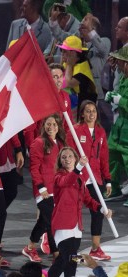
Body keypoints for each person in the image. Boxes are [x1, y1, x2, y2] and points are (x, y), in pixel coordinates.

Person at [48, 147, 112, 277]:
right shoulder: (58, 177)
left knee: (63, 259)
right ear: (60, 161)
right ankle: (88, 263)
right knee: (71, 258)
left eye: (70, 156)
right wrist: (87, 262)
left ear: (75, 158)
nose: (67, 159)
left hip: (77, 227)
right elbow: (67, 182)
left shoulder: (80, 179)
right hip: (62, 225)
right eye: (64, 157)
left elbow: (88, 199)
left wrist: (102, 209)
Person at [66, 100, 112, 260]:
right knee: (72, 212)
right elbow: (68, 154)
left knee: (98, 211)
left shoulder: (100, 132)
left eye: (94, 111)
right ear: (82, 114)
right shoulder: (76, 130)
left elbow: (104, 157)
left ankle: (95, 248)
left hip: (95, 178)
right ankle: (65, 249)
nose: (91, 114)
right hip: (78, 177)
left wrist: (108, 180)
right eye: (88, 111)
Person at [22, 114, 65, 262]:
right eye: (48, 124)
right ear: (43, 126)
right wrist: (41, 188)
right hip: (44, 191)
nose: (51, 127)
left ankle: (29, 248)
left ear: (58, 126)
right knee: (51, 221)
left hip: (57, 189)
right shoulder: (38, 143)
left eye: (54, 124)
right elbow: (34, 169)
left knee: (44, 221)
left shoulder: (60, 143)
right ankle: (56, 254)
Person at [105, 47, 128, 207]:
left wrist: (122, 101)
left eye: (120, 61)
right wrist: (112, 96)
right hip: (120, 125)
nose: (118, 63)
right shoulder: (124, 78)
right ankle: (113, 190)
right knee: (112, 155)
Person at [58, 35, 96, 118]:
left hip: (83, 107)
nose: (62, 54)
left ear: (73, 53)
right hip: (71, 103)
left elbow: (68, 83)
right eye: (61, 50)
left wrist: (69, 65)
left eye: (64, 51)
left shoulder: (83, 68)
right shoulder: (69, 62)